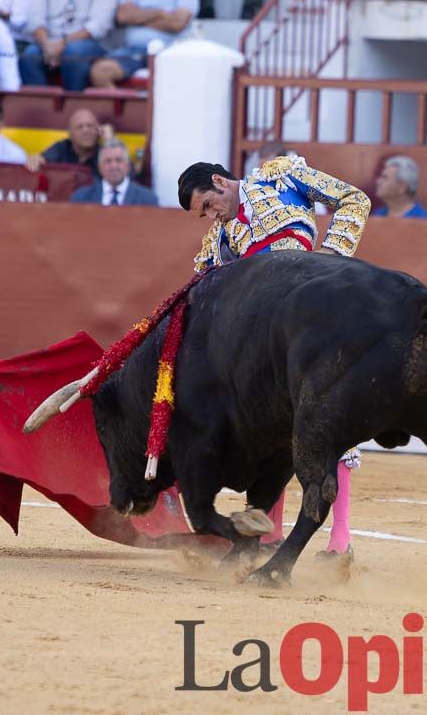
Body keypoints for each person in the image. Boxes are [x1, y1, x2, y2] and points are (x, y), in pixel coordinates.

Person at [177, 154, 371, 561]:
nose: (211, 217)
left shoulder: (281, 178)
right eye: (203, 214)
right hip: (264, 342)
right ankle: (270, 535)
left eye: (209, 205)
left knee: (331, 423)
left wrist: (329, 260)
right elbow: (201, 294)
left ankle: (340, 540)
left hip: (318, 316)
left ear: (220, 181)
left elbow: (354, 200)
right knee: (272, 431)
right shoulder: (218, 239)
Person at [24, 107, 110, 179]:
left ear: (98, 130)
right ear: (70, 134)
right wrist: (36, 160)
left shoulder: (105, 152)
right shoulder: (62, 148)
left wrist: (109, 141)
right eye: (80, 127)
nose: (86, 131)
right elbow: (41, 159)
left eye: (90, 126)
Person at [69, 141, 159, 205]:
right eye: (108, 161)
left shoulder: (147, 199)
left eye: (119, 160)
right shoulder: (81, 198)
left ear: (128, 166)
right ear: (100, 167)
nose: (114, 166)